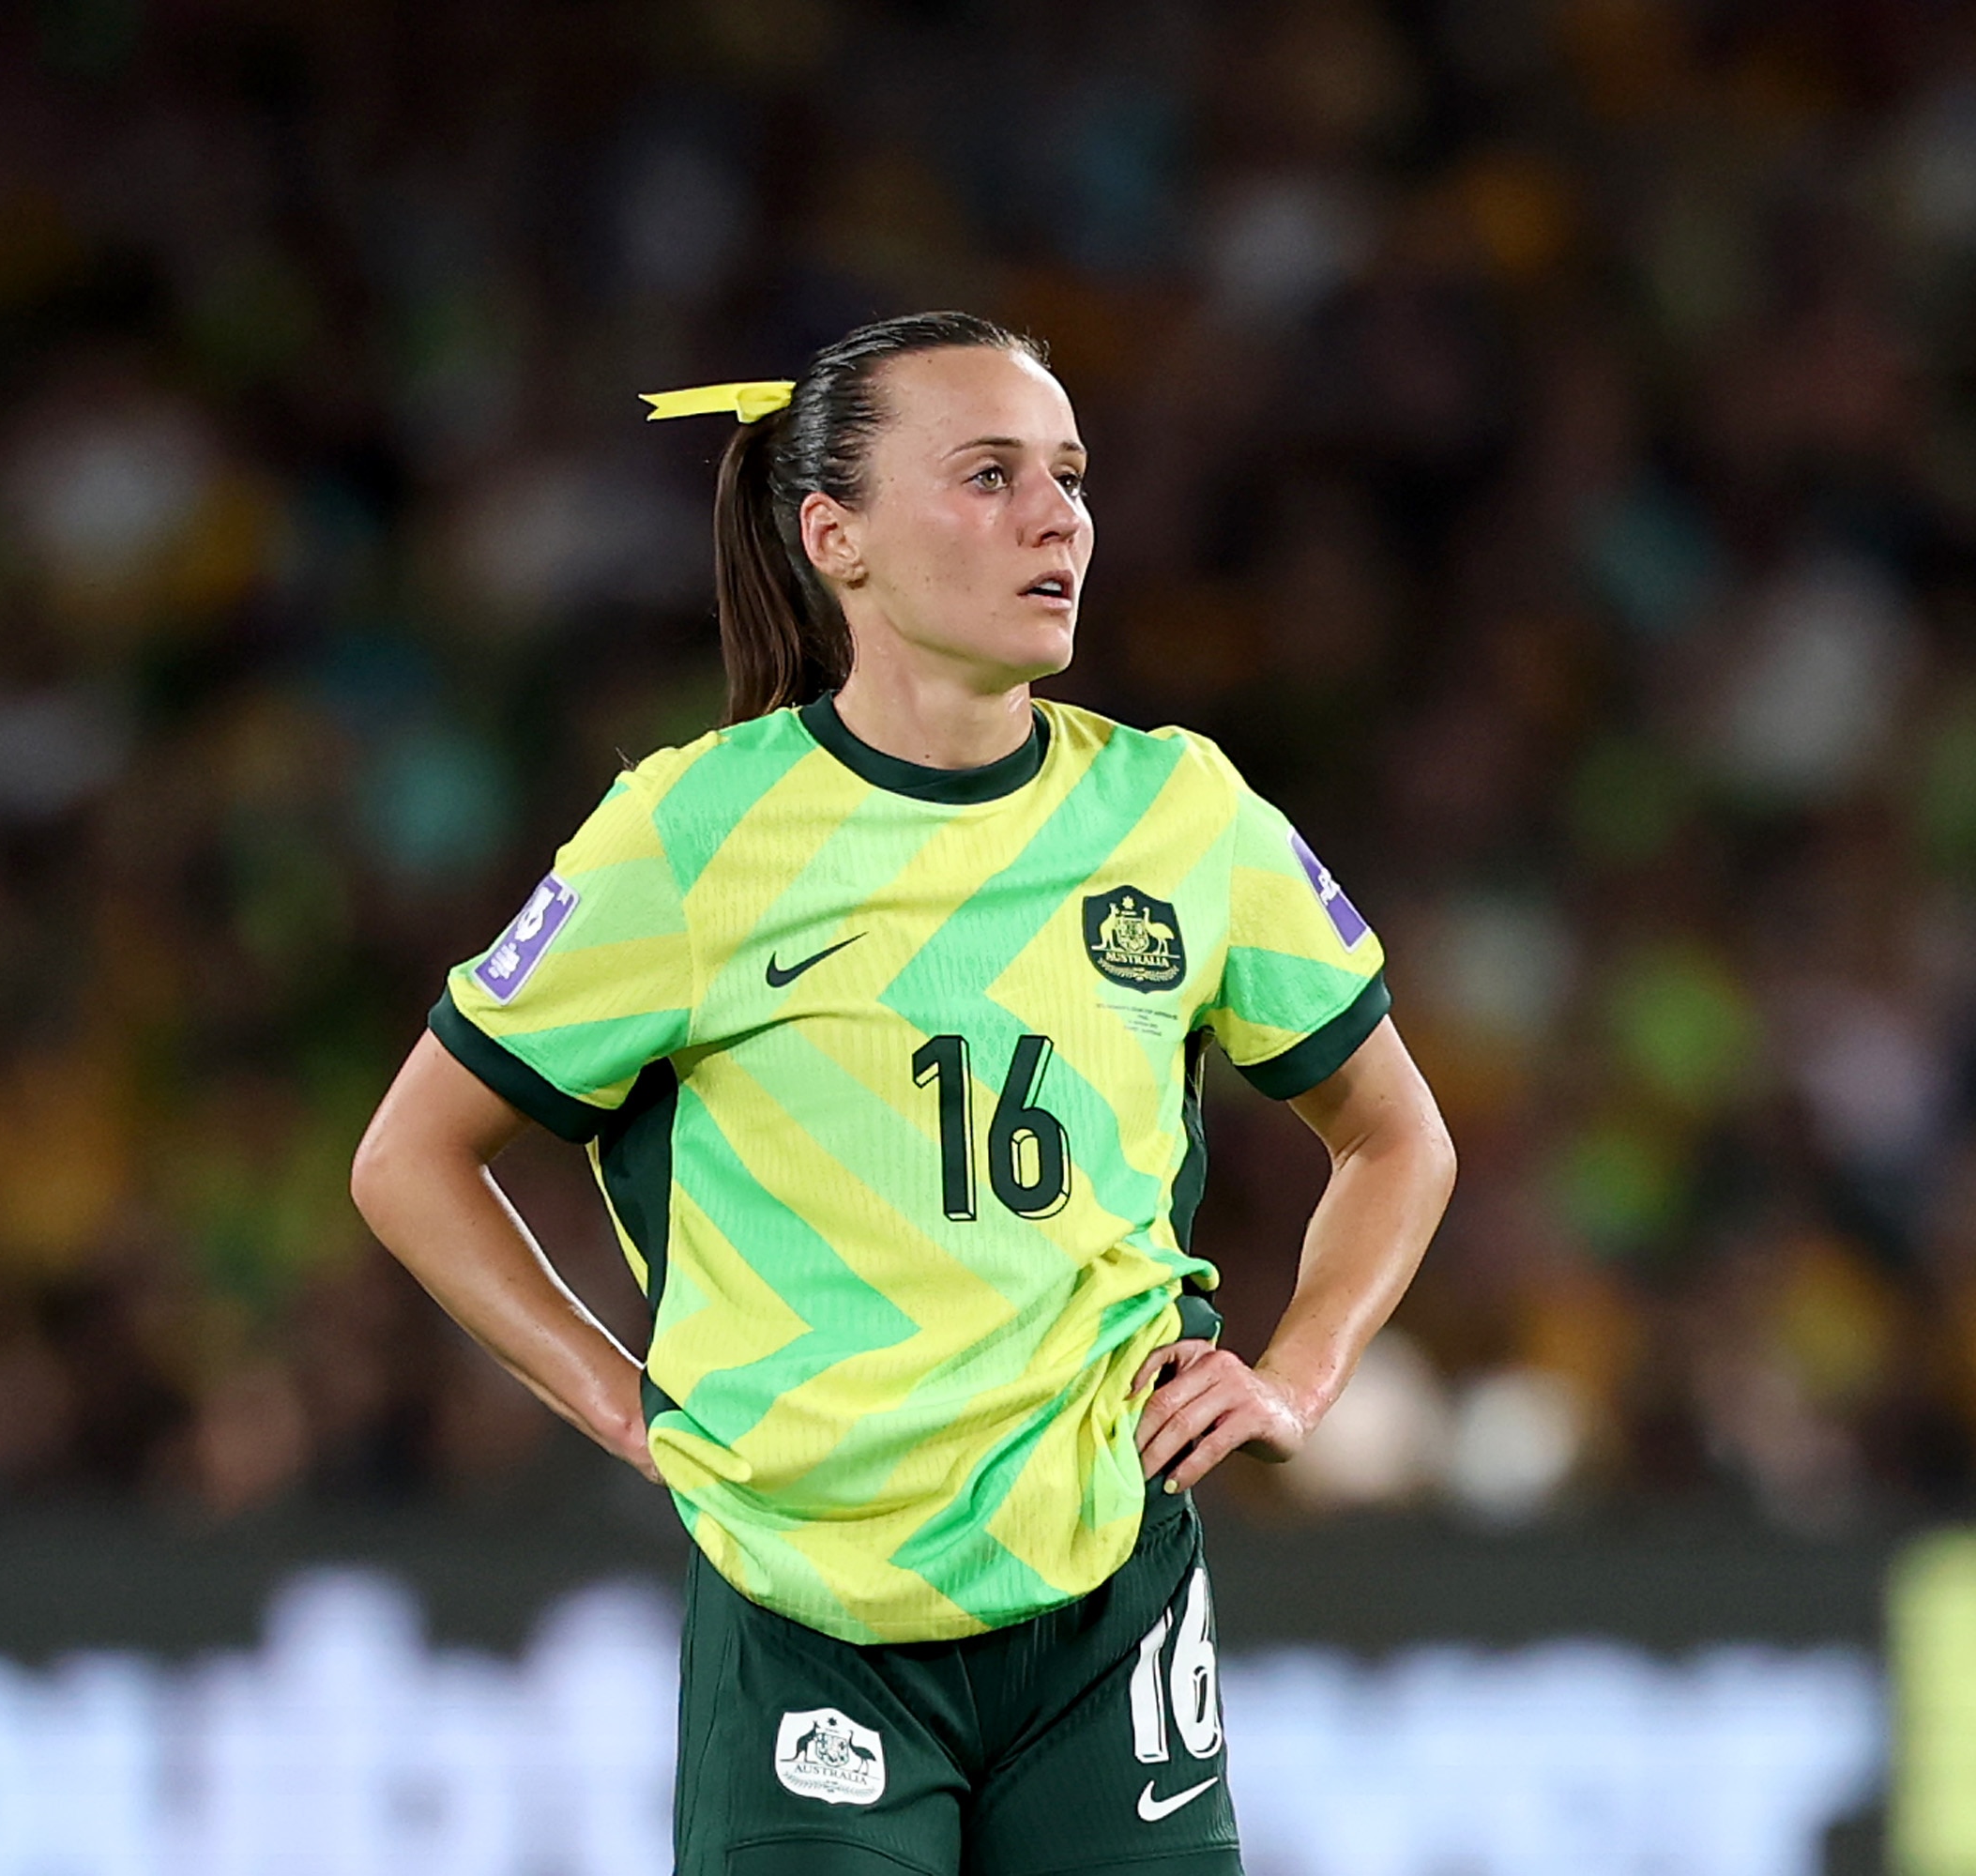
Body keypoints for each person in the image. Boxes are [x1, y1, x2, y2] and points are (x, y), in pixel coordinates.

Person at [348, 311, 1457, 1875]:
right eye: (989, 476)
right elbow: (413, 1160)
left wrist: (1299, 1375)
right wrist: (617, 1401)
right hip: (813, 1609)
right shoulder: (694, 833)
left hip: (1108, 1602)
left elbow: (1396, 1135)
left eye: (1068, 476)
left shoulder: (1181, 812)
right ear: (834, 536)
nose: (1057, 517)